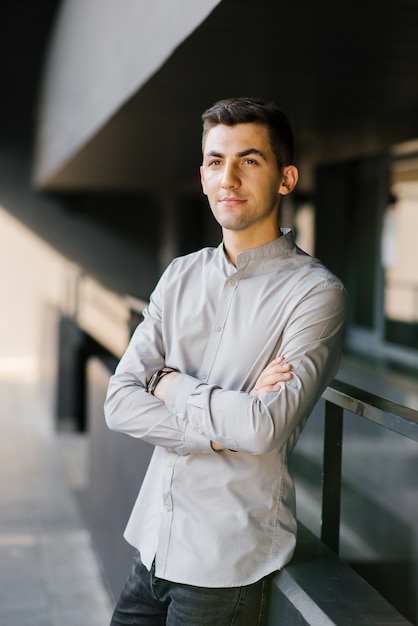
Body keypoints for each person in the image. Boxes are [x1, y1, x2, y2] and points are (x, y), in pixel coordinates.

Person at [104, 96, 347, 626]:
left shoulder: (315, 294)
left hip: (224, 565)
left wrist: (167, 383)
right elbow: (119, 403)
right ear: (202, 174)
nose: (228, 178)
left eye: (249, 160)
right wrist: (218, 429)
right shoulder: (180, 275)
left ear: (286, 178)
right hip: (151, 543)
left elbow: (263, 429)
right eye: (216, 161)